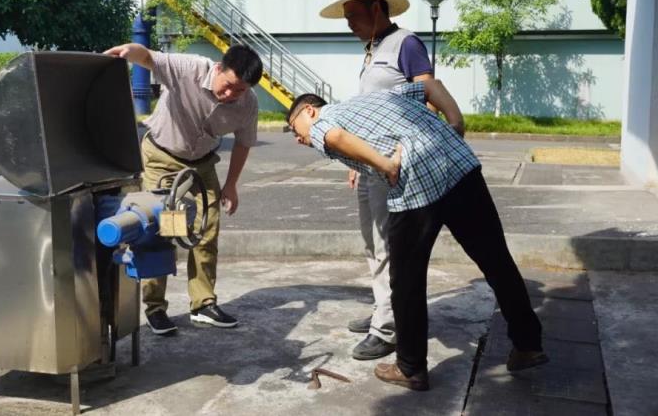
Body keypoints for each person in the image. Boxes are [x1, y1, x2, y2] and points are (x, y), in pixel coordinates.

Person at [286, 80, 547, 391]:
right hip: (458, 164)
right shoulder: (379, 97)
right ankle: (528, 344)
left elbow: (334, 136)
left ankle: (410, 367)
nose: (298, 138)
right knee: (496, 260)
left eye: (295, 128)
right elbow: (430, 86)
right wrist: (456, 122)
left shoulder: (325, 119)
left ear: (310, 110)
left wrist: (386, 165)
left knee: (406, 280)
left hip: (416, 184)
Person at [104, 42, 263, 335]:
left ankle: (203, 304)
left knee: (207, 229)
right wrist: (128, 51)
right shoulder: (190, 68)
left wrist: (231, 184)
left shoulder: (248, 104)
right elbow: (148, 57)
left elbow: (243, 143)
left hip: (202, 163)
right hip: (162, 157)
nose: (231, 94)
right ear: (219, 68)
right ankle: (155, 308)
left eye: (239, 90)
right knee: (159, 228)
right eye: (228, 85)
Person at [319, 0, 435, 360]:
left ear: (375, 9)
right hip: (369, 164)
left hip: (392, 167)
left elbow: (428, 96)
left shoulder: (406, 44)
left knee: (389, 245)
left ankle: (388, 328)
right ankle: (383, 309)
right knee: (372, 243)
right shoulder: (372, 49)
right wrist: (358, 159)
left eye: (353, 16)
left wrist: (404, 148)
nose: (349, 24)